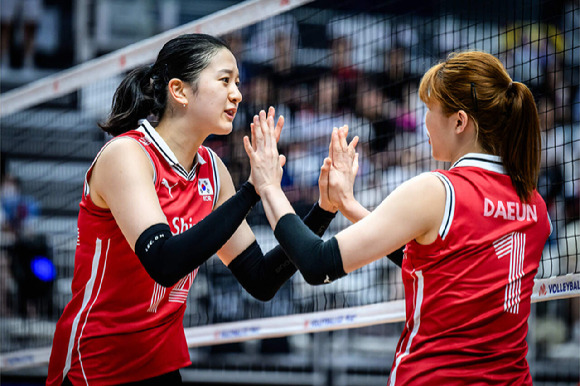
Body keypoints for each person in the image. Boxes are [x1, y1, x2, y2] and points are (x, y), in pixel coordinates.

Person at [46, 34, 356, 386]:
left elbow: (260, 279)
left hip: (160, 365)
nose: (237, 93)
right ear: (179, 91)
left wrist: (325, 209)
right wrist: (253, 189)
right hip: (96, 365)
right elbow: (164, 262)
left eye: (237, 82)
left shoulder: (211, 168)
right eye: (224, 80)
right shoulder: (127, 155)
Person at [244, 51, 552, 385]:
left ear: (459, 121)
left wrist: (269, 185)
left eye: (429, 109)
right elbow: (438, 260)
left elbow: (318, 265)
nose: (425, 121)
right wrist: (348, 205)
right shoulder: (535, 205)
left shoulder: (437, 190)